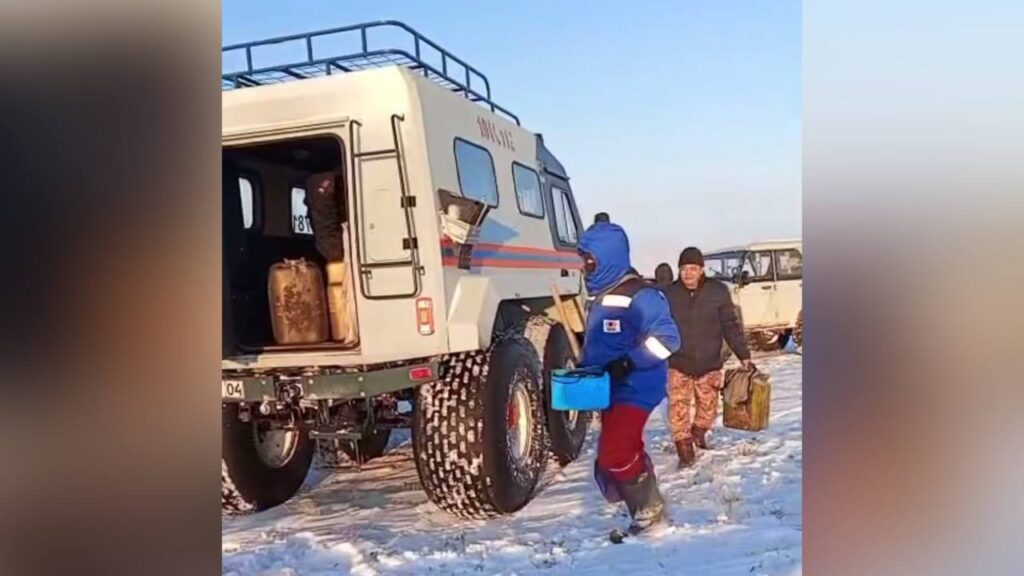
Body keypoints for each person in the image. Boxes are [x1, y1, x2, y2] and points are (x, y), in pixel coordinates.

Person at [578, 221, 681, 535]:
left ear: (607, 257)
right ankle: (643, 497)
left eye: (590, 260)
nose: (585, 266)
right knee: (616, 451)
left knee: (616, 452)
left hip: (637, 387)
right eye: (583, 259)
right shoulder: (599, 295)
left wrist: (628, 362)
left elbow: (668, 339)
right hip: (607, 386)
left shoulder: (643, 296)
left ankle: (649, 508)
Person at [663, 247, 752, 468]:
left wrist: (744, 355)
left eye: (693, 268)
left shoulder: (718, 291)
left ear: (702, 270)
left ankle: (698, 433)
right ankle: (684, 450)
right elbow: (658, 325)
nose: (688, 274)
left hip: (709, 362)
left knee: (708, 409)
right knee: (678, 408)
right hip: (678, 361)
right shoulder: (669, 294)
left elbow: (731, 325)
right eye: (684, 269)